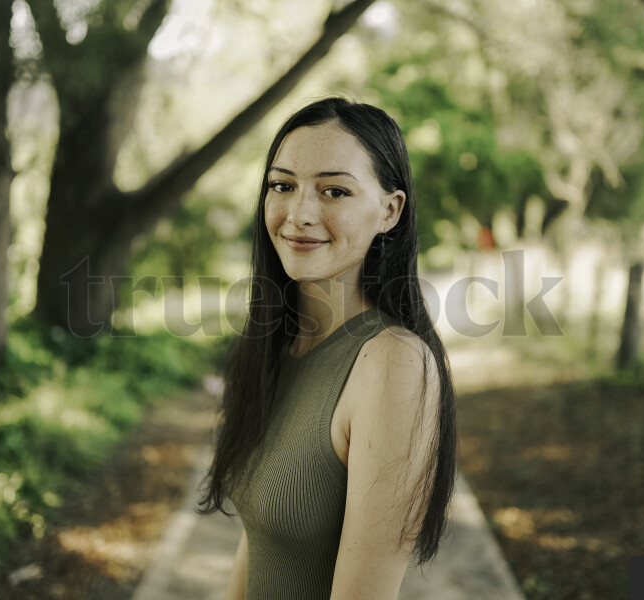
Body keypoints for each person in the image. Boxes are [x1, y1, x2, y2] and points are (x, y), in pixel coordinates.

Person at [196, 97, 458, 600]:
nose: (300, 213)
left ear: (390, 210)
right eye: (283, 185)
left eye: (335, 191)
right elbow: (258, 547)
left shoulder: (392, 363)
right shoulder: (274, 346)